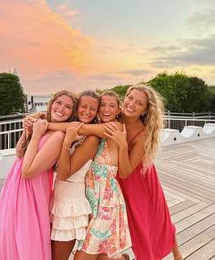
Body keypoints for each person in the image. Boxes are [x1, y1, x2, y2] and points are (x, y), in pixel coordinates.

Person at [48, 85, 182, 260]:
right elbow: (87, 121)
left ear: (145, 110)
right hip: (101, 187)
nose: (132, 104)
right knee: (99, 249)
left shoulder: (137, 134)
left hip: (136, 178)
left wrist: (46, 124)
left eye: (139, 103)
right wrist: (41, 117)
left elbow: (82, 130)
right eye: (130, 98)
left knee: (153, 218)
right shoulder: (115, 115)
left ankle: (177, 255)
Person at [0, 90, 77, 260]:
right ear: (51, 103)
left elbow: (28, 172)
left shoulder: (58, 136)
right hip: (14, 184)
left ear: (72, 113)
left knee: (25, 234)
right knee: (9, 231)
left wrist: (36, 135)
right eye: (58, 103)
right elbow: (20, 154)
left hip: (31, 189)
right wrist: (26, 132)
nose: (61, 108)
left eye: (68, 107)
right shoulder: (42, 125)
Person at [73, 91, 132, 260]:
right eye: (103, 105)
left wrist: (122, 145)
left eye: (111, 105)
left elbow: (125, 172)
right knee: (98, 252)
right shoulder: (98, 129)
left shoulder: (114, 128)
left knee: (85, 254)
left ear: (118, 110)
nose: (106, 109)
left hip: (106, 201)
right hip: (91, 198)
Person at [50, 90, 100, 260]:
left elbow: (64, 174)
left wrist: (66, 142)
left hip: (70, 205)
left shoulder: (91, 139)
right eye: (83, 106)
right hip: (56, 199)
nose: (87, 111)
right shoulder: (74, 128)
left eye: (92, 109)